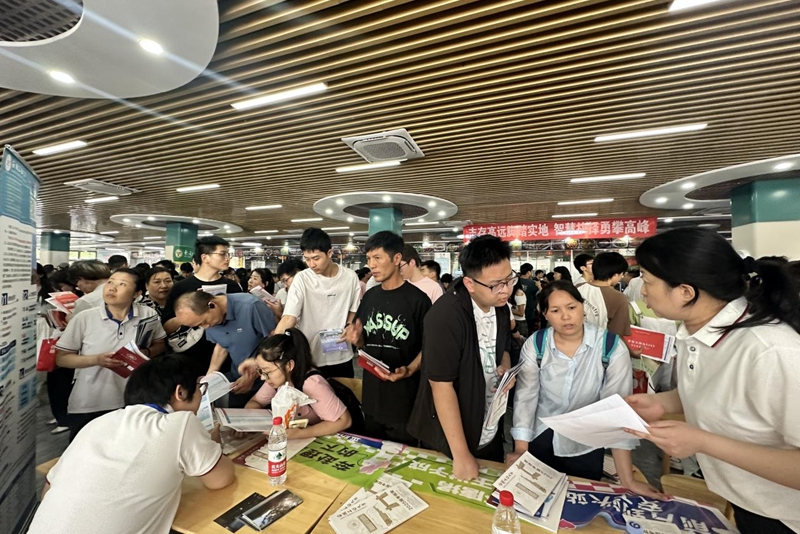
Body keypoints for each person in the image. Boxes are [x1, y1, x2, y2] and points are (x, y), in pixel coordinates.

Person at [624, 228, 800, 533]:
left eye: (647, 281)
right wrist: (662, 402)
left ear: (685, 292)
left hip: (785, 517)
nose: (643, 292)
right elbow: (720, 391)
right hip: (746, 502)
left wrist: (702, 441)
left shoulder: (770, 351)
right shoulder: (696, 333)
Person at [28, 354, 235, 534]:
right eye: (199, 388)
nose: (201, 395)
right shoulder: (180, 423)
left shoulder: (98, 423)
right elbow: (220, 480)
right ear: (180, 393)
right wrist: (213, 444)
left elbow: (48, 491)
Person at [508, 281, 661, 498]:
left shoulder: (610, 347)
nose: (566, 316)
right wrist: (521, 450)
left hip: (586, 442)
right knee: (533, 499)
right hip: (540, 433)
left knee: (581, 500)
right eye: (555, 310)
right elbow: (526, 396)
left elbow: (617, 410)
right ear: (545, 314)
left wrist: (627, 479)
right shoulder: (536, 344)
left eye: (572, 307)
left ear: (582, 306)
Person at [408, 235, 515, 480]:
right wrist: (461, 454)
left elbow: (504, 348)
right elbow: (441, 385)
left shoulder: (500, 306)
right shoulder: (445, 316)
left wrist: (505, 367)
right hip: (451, 438)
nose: (506, 290)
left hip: (489, 423)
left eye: (509, 279)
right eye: (496, 284)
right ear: (469, 283)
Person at [55, 269, 167, 440]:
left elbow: (160, 344)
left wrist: (145, 353)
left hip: (134, 399)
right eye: (110, 282)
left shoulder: (148, 314)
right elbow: (62, 358)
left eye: (122, 284)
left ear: (137, 293)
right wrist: (97, 360)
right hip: (91, 401)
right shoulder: (85, 318)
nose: (112, 288)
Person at [341, 231, 431, 445]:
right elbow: (364, 342)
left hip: (404, 400)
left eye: (377, 258)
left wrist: (410, 369)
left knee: (403, 458)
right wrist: (357, 339)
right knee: (371, 455)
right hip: (372, 397)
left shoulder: (418, 300)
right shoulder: (370, 297)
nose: (371, 265)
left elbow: (431, 346)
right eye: (368, 259)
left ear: (397, 258)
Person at [273, 228, 360, 379]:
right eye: (307, 259)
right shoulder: (302, 279)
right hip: (310, 355)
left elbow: (353, 309)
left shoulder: (350, 277)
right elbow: (289, 318)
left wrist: (348, 325)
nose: (311, 264)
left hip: (340, 353)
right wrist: (270, 348)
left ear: (330, 253)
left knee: (344, 391)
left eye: (316, 258)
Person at [174, 290, 276, 407]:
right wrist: (209, 377)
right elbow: (221, 346)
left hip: (266, 373)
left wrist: (254, 373)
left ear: (212, 305)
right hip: (238, 373)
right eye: (199, 326)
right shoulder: (210, 320)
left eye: (204, 322)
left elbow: (277, 342)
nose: (206, 327)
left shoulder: (251, 307)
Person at [244, 329, 352, 438]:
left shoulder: (311, 384)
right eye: (261, 371)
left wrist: (301, 433)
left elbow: (344, 421)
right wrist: (245, 423)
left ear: (289, 365)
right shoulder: (276, 380)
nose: (263, 377)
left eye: (267, 372)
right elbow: (255, 402)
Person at [161, 237, 242, 375]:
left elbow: (240, 321)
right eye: (222, 254)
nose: (227, 258)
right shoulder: (182, 287)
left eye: (228, 254)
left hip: (224, 354)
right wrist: (191, 314)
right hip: (188, 355)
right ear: (205, 258)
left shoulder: (231, 286)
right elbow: (166, 326)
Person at [577, 252, 632, 338]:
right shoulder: (618, 298)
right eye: (622, 274)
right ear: (615, 275)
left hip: (571, 340)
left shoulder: (577, 288)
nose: (621, 277)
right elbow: (617, 334)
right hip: (600, 343)